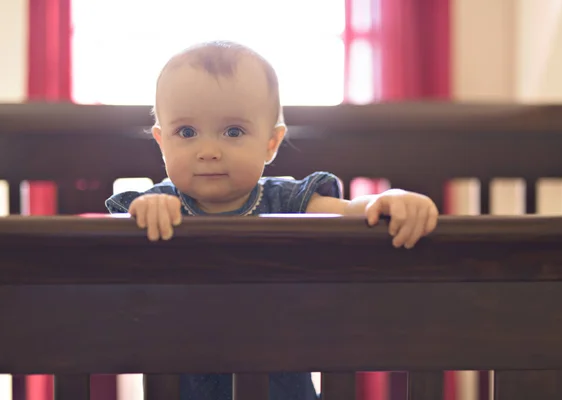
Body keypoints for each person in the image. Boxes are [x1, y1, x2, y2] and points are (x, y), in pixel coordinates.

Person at [105, 40, 439, 400]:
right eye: (186, 133)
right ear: (161, 142)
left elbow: (352, 214)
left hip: (281, 385)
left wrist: (389, 199)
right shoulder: (159, 206)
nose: (209, 151)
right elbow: (116, 254)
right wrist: (145, 212)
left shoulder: (287, 201)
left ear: (271, 143)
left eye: (233, 132)